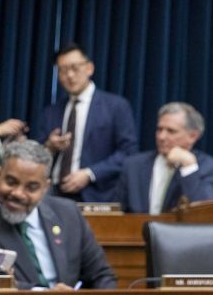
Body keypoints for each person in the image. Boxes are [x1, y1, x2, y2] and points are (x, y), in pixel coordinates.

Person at [0, 140, 117, 289]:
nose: (18, 193)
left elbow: (102, 276)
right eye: (11, 182)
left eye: (31, 187)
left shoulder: (68, 214)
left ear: (45, 187)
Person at [30, 43, 138, 202]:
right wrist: (50, 147)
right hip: (53, 195)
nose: (70, 75)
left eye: (75, 68)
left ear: (89, 68)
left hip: (96, 195)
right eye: (63, 70)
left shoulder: (116, 106)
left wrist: (89, 174)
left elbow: (128, 152)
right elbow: (35, 157)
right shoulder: (51, 111)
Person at [117, 102, 213, 215]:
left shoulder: (210, 168)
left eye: (171, 131)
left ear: (193, 136)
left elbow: (203, 214)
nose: (161, 137)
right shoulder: (133, 165)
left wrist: (189, 167)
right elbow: (116, 213)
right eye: (159, 129)